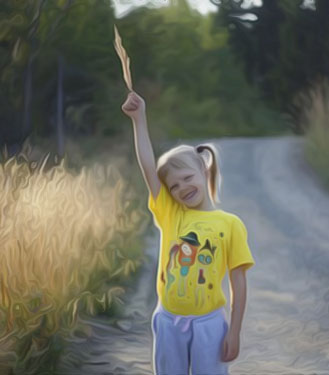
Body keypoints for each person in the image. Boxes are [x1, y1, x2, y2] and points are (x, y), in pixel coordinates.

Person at [121, 91, 255, 375]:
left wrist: (235, 331)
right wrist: (139, 119)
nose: (182, 188)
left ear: (204, 170)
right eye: (174, 186)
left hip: (210, 325)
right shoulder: (171, 214)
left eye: (187, 178)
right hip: (168, 322)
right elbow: (147, 165)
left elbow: (238, 283)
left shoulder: (230, 224)